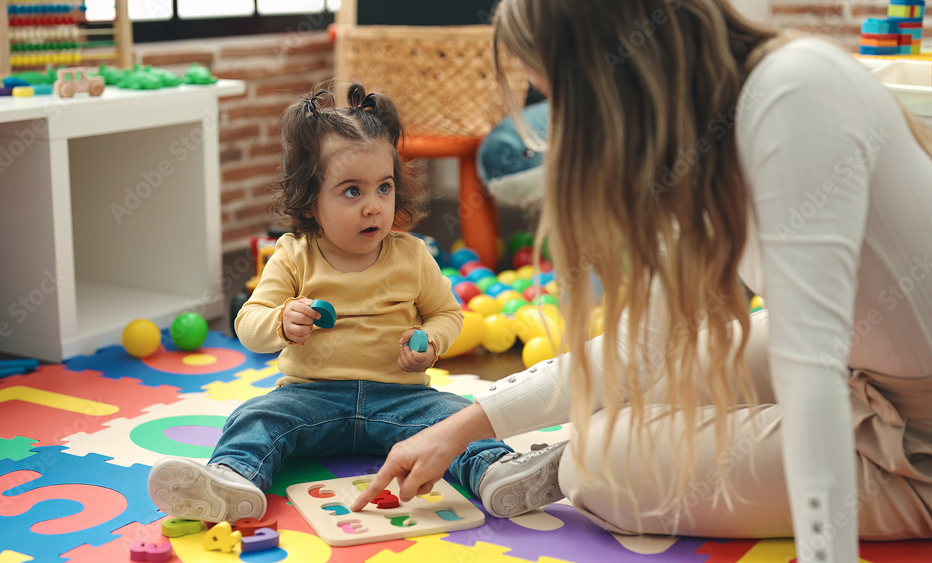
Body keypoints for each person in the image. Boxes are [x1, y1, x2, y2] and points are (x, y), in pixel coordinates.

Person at [351, 1, 932, 561]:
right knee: (632, 399)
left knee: (597, 465)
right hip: (863, 360)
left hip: (914, 434)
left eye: (562, 97)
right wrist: (461, 427)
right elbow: (644, 346)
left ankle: (597, 459)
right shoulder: (706, 136)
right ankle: (620, 447)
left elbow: (814, 379)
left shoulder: (792, 94)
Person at [147, 83, 514, 523]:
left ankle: (497, 471)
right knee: (256, 416)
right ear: (310, 200)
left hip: (401, 400)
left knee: (458, 417)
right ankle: (234, 479)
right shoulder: (293, 254)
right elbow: (249, 322)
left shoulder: (412, 255)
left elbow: (447, 313)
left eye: (384, 187)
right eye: (352, 192)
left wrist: (430, 342)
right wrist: (282, 321)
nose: (374, 207)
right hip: (310, 399)